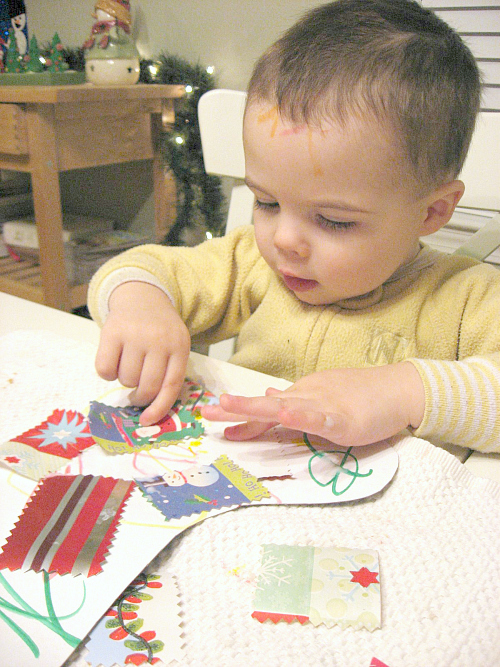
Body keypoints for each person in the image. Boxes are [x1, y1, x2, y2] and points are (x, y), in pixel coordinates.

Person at [88, 0, 500, 454]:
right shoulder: (252, 264)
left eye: (333, 220)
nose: (283, 239)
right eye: (267, 201)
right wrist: (141, 305)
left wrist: (404, 392)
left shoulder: (466, 299)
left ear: (432, 212)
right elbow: (141, 268)